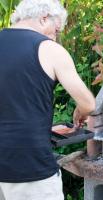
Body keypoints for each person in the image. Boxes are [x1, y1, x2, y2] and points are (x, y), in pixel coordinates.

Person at [0, 0, 96, 199]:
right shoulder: (49, 49)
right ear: (44, 18)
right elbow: (88, 104)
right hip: (29, 166)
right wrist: (80, 110)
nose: (56, 36)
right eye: (57, 30)